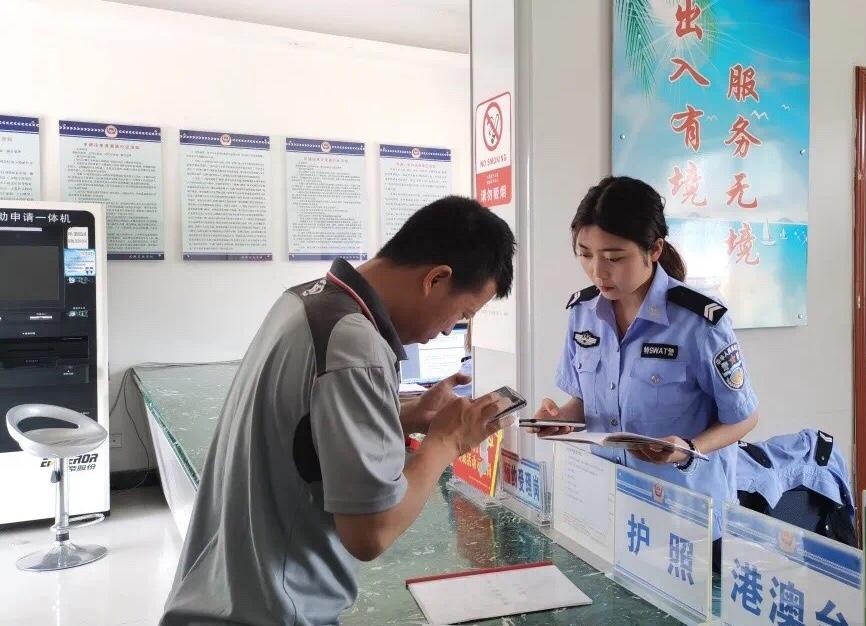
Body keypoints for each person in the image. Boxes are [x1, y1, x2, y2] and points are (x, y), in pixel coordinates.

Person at [161, 196, 517, 626]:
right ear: (436, 279)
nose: (448, 330)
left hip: (223, 595)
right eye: (462, 313)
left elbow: (305, 428)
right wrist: (447, 442)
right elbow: (370, 532)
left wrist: (403, 416)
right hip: (274, 611)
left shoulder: (306, 301)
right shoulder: (356, 344)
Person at [530, 176, 759, 570]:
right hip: (607, 510)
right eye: (585, 255)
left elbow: (744, 418)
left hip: (685, 520)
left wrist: (688, 447)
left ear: (654, 249)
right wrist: (559, 418)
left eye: (614, 257)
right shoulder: (583, 313)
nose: (598, 271)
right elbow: (587, 403)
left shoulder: (698, 322)